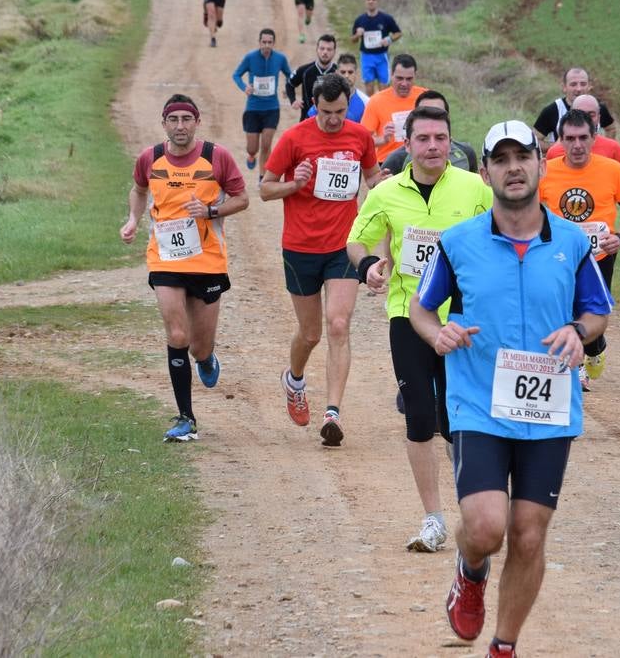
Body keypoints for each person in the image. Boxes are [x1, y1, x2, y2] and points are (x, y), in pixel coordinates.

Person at [410, 119, 612, 655]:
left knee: (528, 533)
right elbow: (421, 308)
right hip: (478, 403)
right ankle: (470, 571)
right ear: (486, 172)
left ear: (540, 163)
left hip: (548, 409)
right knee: (485, 527)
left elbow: (597, 312)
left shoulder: (570, 241)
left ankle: (505, 644)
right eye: (500, 159)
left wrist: (577, 331)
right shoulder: (458, 243)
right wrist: (439, 333)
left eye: (522, 155)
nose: (513, 167)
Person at [348, 105, 492, 552]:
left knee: (458, 422)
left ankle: (473, 507)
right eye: (424, 139)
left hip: (463, 320)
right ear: (406, 145)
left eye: (441, 138)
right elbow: (357, 240)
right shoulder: (387, 192)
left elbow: (507, 231)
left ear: (451, 142)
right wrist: (370, 266)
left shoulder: (474, 188)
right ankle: (433, 519)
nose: (433, 146)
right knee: (418, 418)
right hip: (406, 314)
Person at [261, 74, 382, 447]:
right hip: (299, 247)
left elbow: (373, 176)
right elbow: (265, 189)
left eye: (340, 112)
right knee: (311, 333)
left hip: (343, 246)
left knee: (339, 324)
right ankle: (294, 378)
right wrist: (293, 184)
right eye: (327, 112)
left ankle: (333, 412)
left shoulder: (359, 136)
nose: (333, 119)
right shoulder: (295, 138)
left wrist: (383, 184)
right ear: (314, 105)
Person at [120, 95, 249, 442]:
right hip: (165, 258)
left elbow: (242, 198)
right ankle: (185, 419)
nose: (180, 126)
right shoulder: (149, 158)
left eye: (186, 119)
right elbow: (138, 190)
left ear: (197, 122)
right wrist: (133, 218)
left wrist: (209, 211)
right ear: (164, 123)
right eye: (173, 119)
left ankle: (206, 359)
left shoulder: (216, 157)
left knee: (198, 347)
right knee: (177, 335)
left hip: (207, 260)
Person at [537, 109, 620, 382]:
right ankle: (576, 365)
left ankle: (595, 348)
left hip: (599, 255)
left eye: (583, 137)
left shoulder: (612, 170)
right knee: (561, 305)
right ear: (559, 140)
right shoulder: (547, 172)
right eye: (570, 138)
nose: (577, 145)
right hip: (558, 254)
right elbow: (530, 209)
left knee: (594, 311)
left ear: (594, 138)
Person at [545, 95, 620, 193]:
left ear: (599, 118)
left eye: (591, 115)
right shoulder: (554, 152)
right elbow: (544, 185)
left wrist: (609, 193)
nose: (586, 119)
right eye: (580, 114)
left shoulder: (613, 147)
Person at [231, 28, 293, 172]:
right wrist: (245, 87)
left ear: (273, 43)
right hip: (253, 108)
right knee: (252, 148)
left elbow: (290, 75)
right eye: (264, 42)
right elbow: (236, 75)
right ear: (259, 43)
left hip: (272, 108)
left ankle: (262, 176)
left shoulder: (280, 58)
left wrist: (287, 88)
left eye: (269, 42)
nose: (266, 45)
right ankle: (251, 155)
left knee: (266, 144)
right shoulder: (250, 58)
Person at [382, 90, 479, 175]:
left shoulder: (466, 153)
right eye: (424, 114)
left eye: (437, 114)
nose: (432, 146)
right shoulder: (396, 160)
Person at [360, 54, 426, 162]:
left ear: (415, 76)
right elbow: (362, 140)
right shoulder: (376, 101)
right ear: (391, 74)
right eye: (399, 78)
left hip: (419, 160)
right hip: (388, 162)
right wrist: (383, 139)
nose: (404, 84)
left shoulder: (425, 97)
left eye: (409, 79)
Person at [532, 67, 617, 146]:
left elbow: (611, 129)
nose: (579, 89)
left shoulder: (598, 108)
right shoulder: (552, 111)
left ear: (589, 86)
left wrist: (604, 149)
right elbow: (534, 141)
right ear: (564, 87)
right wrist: (556, 148)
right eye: (573, 84)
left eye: (583, 84)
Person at [351, 0, 403, 96]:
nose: (371, 1)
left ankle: (383, 109)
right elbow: (353, 40)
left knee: (383, 88)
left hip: (382, 57)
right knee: (369, 87)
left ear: (377, 1)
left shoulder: (386, 18)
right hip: (366, 57)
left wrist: (389, 39)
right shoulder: (360, 20)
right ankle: (371, 109)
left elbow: (398, 33)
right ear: (365, 1)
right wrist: (357, 35)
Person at [286, 34, 338, 122]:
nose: (325, 52)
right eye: (322, 48)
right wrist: (293, 100)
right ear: (317, 49)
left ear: (334, 51)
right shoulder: (305, 70)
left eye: (329, 49)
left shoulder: (339, 72)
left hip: (331, 122)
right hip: (307, 120)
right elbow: (289, 84)